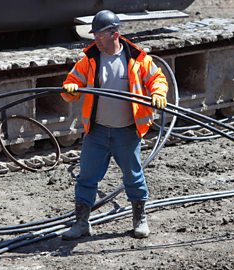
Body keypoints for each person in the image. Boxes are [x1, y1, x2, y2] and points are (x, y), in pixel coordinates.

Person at [60, 10, 168, 240]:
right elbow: (71, 83)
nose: (95, 39)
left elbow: (157, 79)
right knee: (87, 177)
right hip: (97, 132)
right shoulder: (89, 59)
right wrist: (70, 90)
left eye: (100, 35)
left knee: (133, 176)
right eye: (94, 35)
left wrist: (158, 93)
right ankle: (81, 224)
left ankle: (139, 219)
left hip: (126, 132)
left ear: (114, 34)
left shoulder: (137, 59)